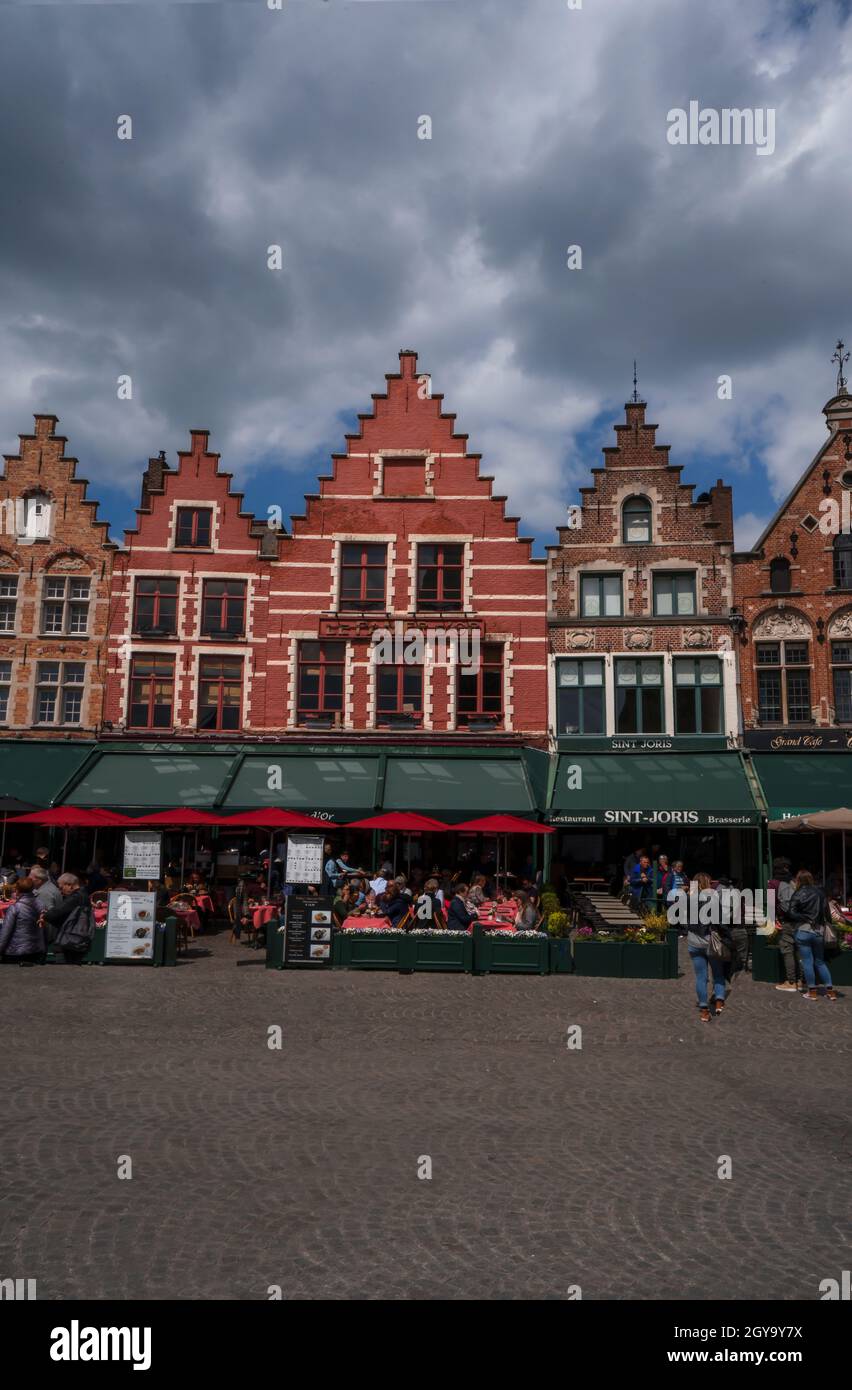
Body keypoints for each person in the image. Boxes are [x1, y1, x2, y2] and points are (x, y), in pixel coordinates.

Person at [788, 870, 837, 1001]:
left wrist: (805, 917)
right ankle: (830, 991)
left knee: (807, 962)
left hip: (803, 930)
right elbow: (827, 914)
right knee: (820, 962)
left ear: (798, 880)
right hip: (819, 931)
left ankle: (812, 992)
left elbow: (791, 912)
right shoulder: (820, 893)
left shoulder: (797, 893)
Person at [687, 872, 730, 1021]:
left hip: (693, 941)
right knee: (718, 972)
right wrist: (727, 936)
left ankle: (704, 1010)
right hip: (709, 940)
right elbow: (720, 922)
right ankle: (719, 1001)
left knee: (701, 977)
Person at [40, 872, 94, 964]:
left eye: (61, 888)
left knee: (65, 966)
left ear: (69, 885)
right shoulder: (84, 894)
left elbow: (58, 912)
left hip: (70, 940)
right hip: (78, 938)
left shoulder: (76, 897)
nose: (60, 891)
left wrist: (45, 915)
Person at [768, 857, 798, 993]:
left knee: (787, 951)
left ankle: (791, 981)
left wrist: (773, 921)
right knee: (799, 951)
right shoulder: (794, 882)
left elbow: (770, 903)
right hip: (799, 920)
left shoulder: (773, 883)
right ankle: (801, 980)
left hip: (785, 920)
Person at [0, 877, 45, 965]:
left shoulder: (15, 908)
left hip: (16, 952)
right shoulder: (41, 904)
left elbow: (6, 932)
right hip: (36, 951)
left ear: (17, 891)